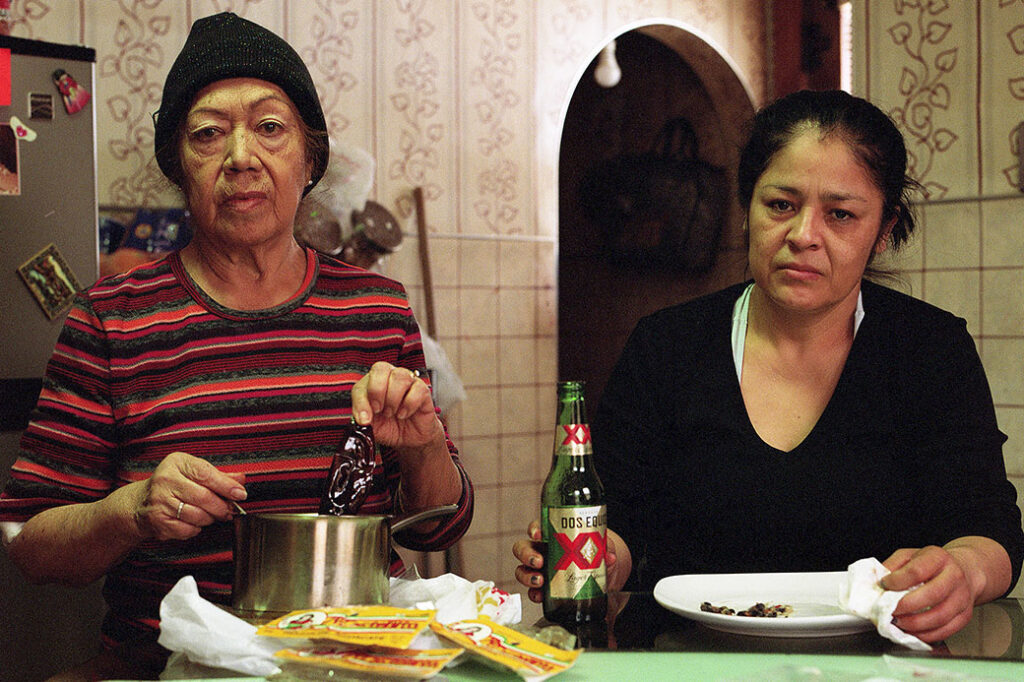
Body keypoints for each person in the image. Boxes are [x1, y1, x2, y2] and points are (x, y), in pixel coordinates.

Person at [0, 12, 472, 678]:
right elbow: (28, 541)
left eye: (270, 128)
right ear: (179, 165)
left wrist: (422, 442)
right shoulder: (114, 319)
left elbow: (437, 526)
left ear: (309, 160)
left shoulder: (375, 308)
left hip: (359, 661)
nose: (241, 156)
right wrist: (131, 511)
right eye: (208, 134)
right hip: (169, 665)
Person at [514, 89, 1024, 644]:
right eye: (781, 204)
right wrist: (596, 556)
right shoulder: (667, 345)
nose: (803, 235)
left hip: (879, 663)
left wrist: (963, 573)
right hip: (684, 662)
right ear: (747, 208)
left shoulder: (929, 348)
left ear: (882, 230)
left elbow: (990, 530)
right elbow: (619, 521)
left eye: (841, 215)